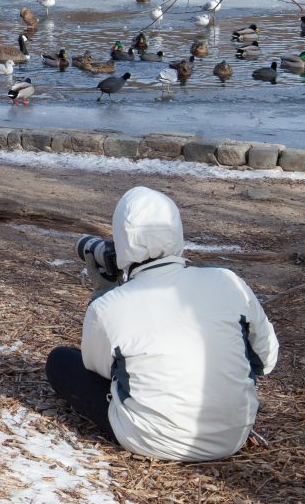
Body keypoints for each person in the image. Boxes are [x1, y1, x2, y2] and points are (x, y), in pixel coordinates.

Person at [45, 186, 279, 462]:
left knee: (61, 361)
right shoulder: (227, 281)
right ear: (176, 231)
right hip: (231, 437)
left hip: (151, 439)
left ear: (122, 242)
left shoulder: (109, 306)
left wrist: (103, 292)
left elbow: (98, 369)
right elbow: (266, 361)